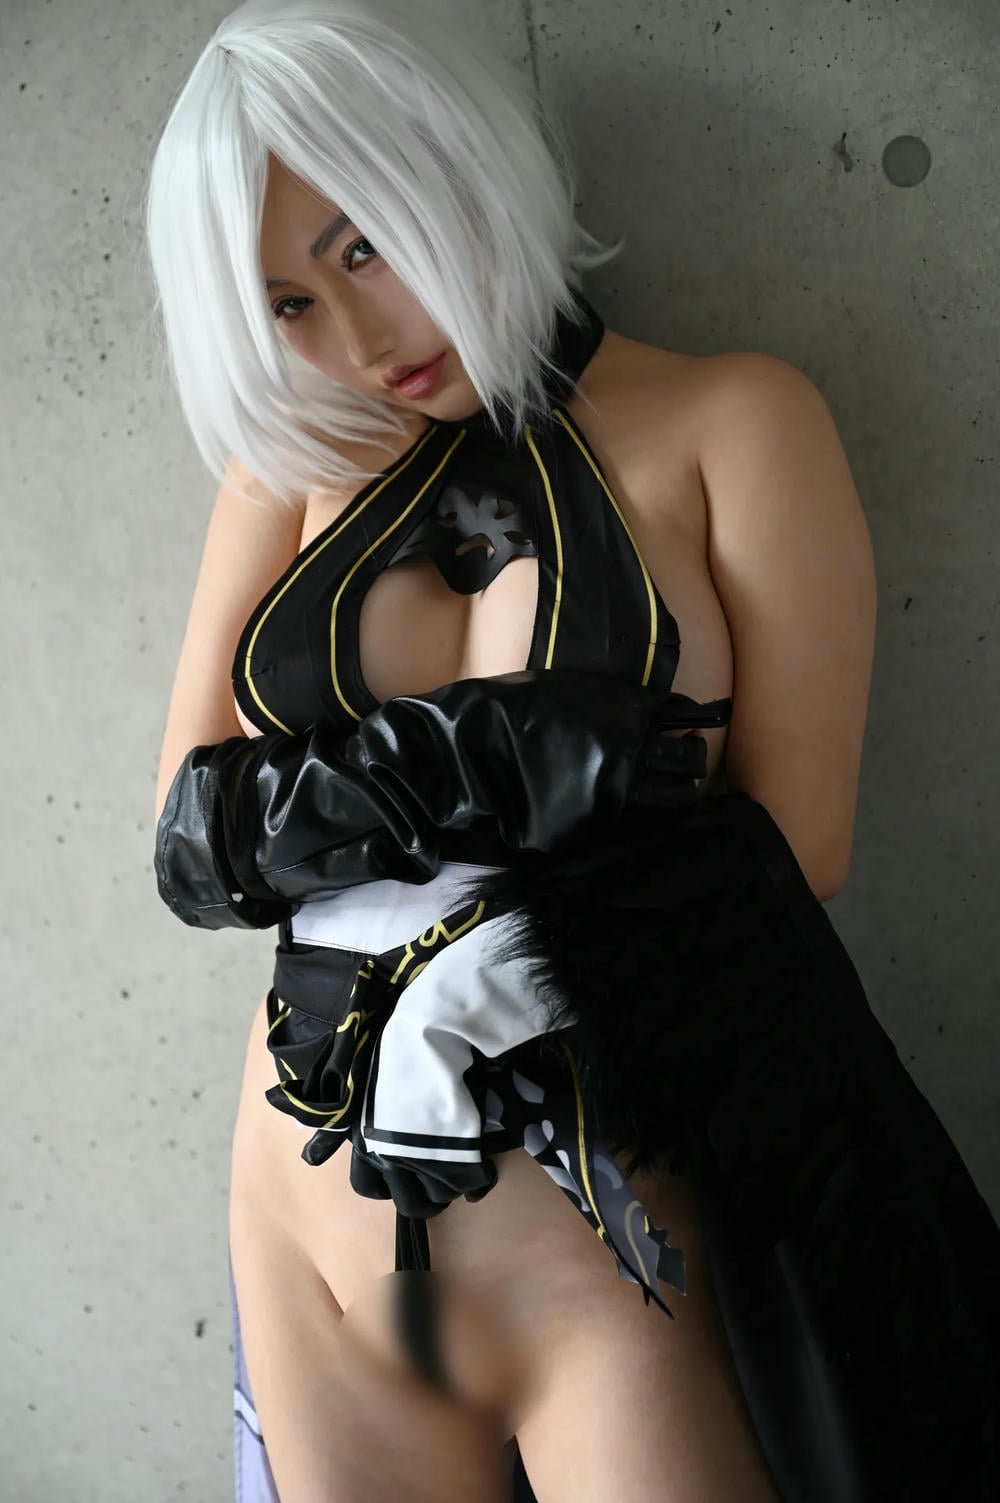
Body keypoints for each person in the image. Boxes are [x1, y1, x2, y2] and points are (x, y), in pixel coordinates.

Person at [147, 2, 1000, 1500]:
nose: (360, 341)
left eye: (365, 246)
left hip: (611, 1238)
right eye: (287, 302)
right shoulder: (288, 471)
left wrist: (437, 835)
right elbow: (185, 836)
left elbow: (799, 848)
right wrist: (492, 763)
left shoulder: (735, 420)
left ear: (457, 163)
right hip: (304, 1227)